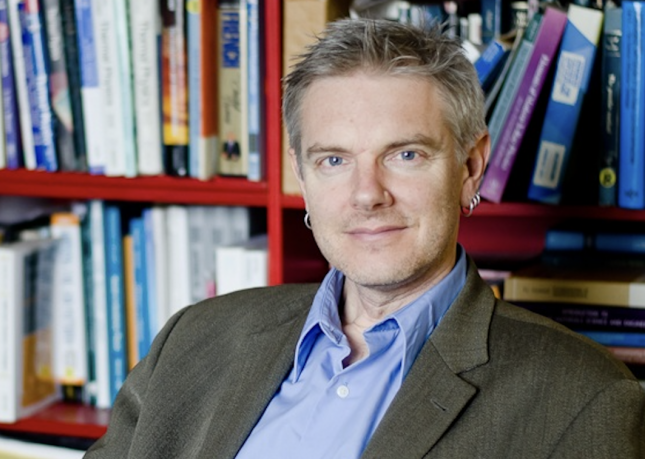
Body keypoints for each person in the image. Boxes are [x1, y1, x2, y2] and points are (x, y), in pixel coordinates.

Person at [84, 18, 644, 459]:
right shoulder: (193, 340)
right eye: (333, 160)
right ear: (303, 179)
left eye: (405, 155)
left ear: (470, 168)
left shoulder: (584, 399)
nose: (367, 194)